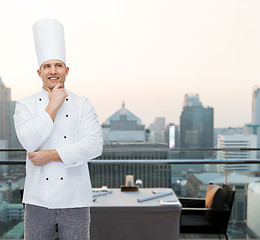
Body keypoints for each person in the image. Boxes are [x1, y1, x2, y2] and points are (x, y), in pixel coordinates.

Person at [14, 18, 103, 240]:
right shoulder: (24, 104)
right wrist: (53, 105)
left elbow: (94, 145)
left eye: (58, 65)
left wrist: (52, 156)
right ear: (39, 72)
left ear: (66, 70)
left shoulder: (82, 103)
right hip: (37, 200)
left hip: (75, 199)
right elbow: (29, 141)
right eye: (47, 66)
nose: (53, 71)